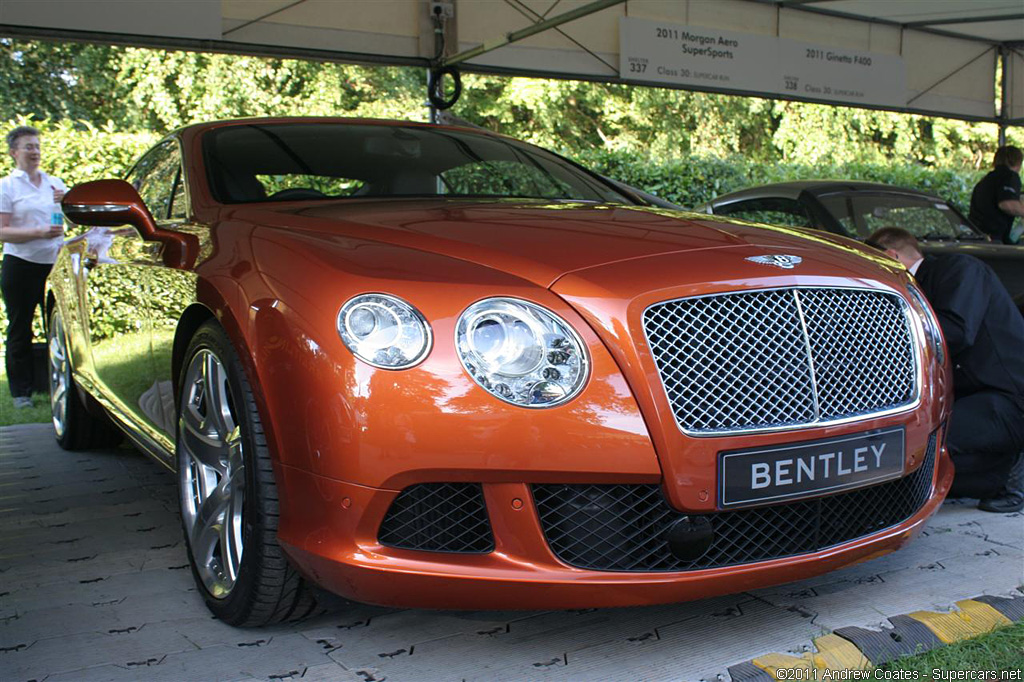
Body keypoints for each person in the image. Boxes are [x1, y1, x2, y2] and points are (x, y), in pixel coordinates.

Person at [867, 227, 1024, 513]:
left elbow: (956, 331)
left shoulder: (961, 268)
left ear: (891, 257)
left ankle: (1011, 473)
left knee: (924, 443)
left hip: (1009, 398)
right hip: (976, 397)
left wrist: (879, 336)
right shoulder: (932, 282)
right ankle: (995, 475)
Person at [0, 126, 67, 408]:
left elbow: (74, 221)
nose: (35, 151)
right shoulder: (7, 186)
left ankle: (63, 387)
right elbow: (2, 231)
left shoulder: (55, 183)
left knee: (61, 327)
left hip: (55, 265)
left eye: (37, 146)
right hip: (21, 266)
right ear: (14, 152)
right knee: (20, 328)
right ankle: (22, 394)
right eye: (28, 146)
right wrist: (39, 232)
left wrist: (67, 202)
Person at [969, 145, 1024, 244]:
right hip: (993, 239)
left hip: (976, 236)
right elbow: (1008, 204)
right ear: (1019, 162)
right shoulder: (1009, 176)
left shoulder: (986, 180)